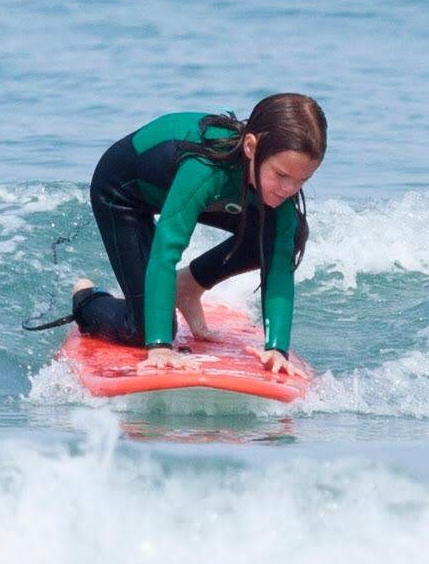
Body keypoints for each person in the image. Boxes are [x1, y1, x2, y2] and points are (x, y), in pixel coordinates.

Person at [69, 93, 326, 375]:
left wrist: (277, 349)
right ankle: (88, 299)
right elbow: (167, 247)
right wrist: (160, 346)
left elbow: (278, 264)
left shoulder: (278, 185)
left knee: (288, 233)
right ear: (251, 147)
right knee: (145, 330)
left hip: (180, 190)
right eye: (281, 175)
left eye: (302, 180)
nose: (289, 189)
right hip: (123, 194)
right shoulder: (205, 170)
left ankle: (188, 287)